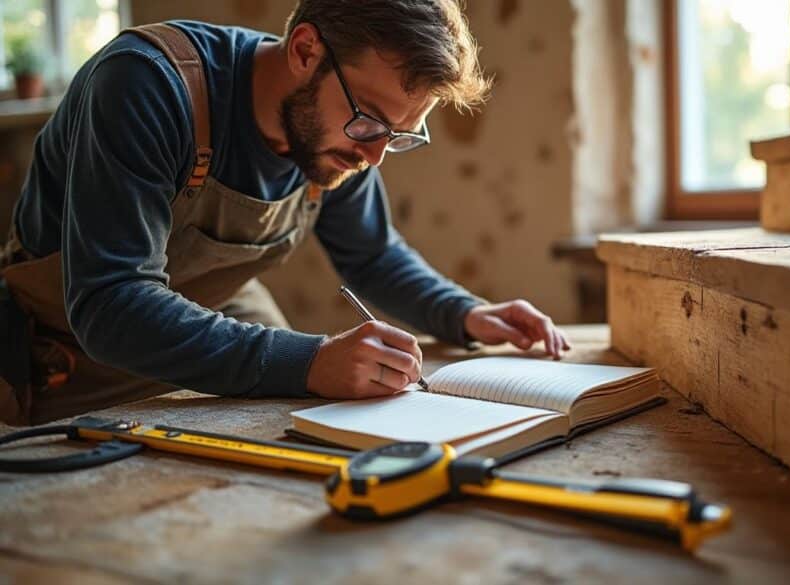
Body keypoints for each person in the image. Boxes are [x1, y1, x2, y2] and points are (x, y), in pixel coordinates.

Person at [0, 0, 570, 425]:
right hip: (73, 358)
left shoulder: (336, 134)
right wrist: (310, 360)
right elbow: (110, 304)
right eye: (370, 122)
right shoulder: (147, 85)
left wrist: (466, 314)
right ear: (304, 51)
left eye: (399, 135)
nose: (373, 157)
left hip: (220, 322)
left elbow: (372, 255)